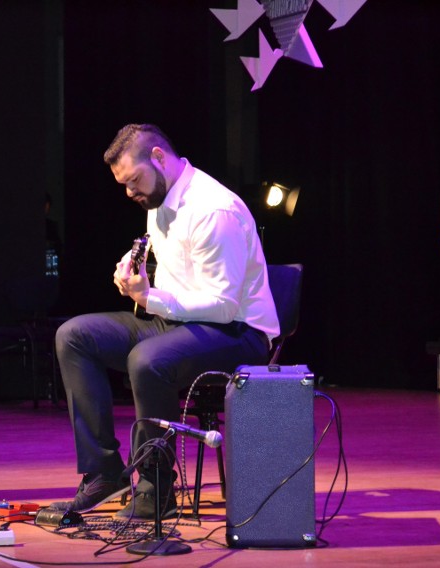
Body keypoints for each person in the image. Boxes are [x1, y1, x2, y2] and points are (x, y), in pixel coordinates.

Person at [51, 124, 279, 519]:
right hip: (178, 323)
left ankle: (156, 485)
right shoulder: (158, 200)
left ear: (159, 157)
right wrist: (132, 266)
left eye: (134, 180)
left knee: (147, 359)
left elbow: (223, 306)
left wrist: (149, 297)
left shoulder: (212, 209)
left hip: (237, 332)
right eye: (123, 184)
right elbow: (163, 261)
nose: (129, 192)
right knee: (73, 336)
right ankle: (104, 471)